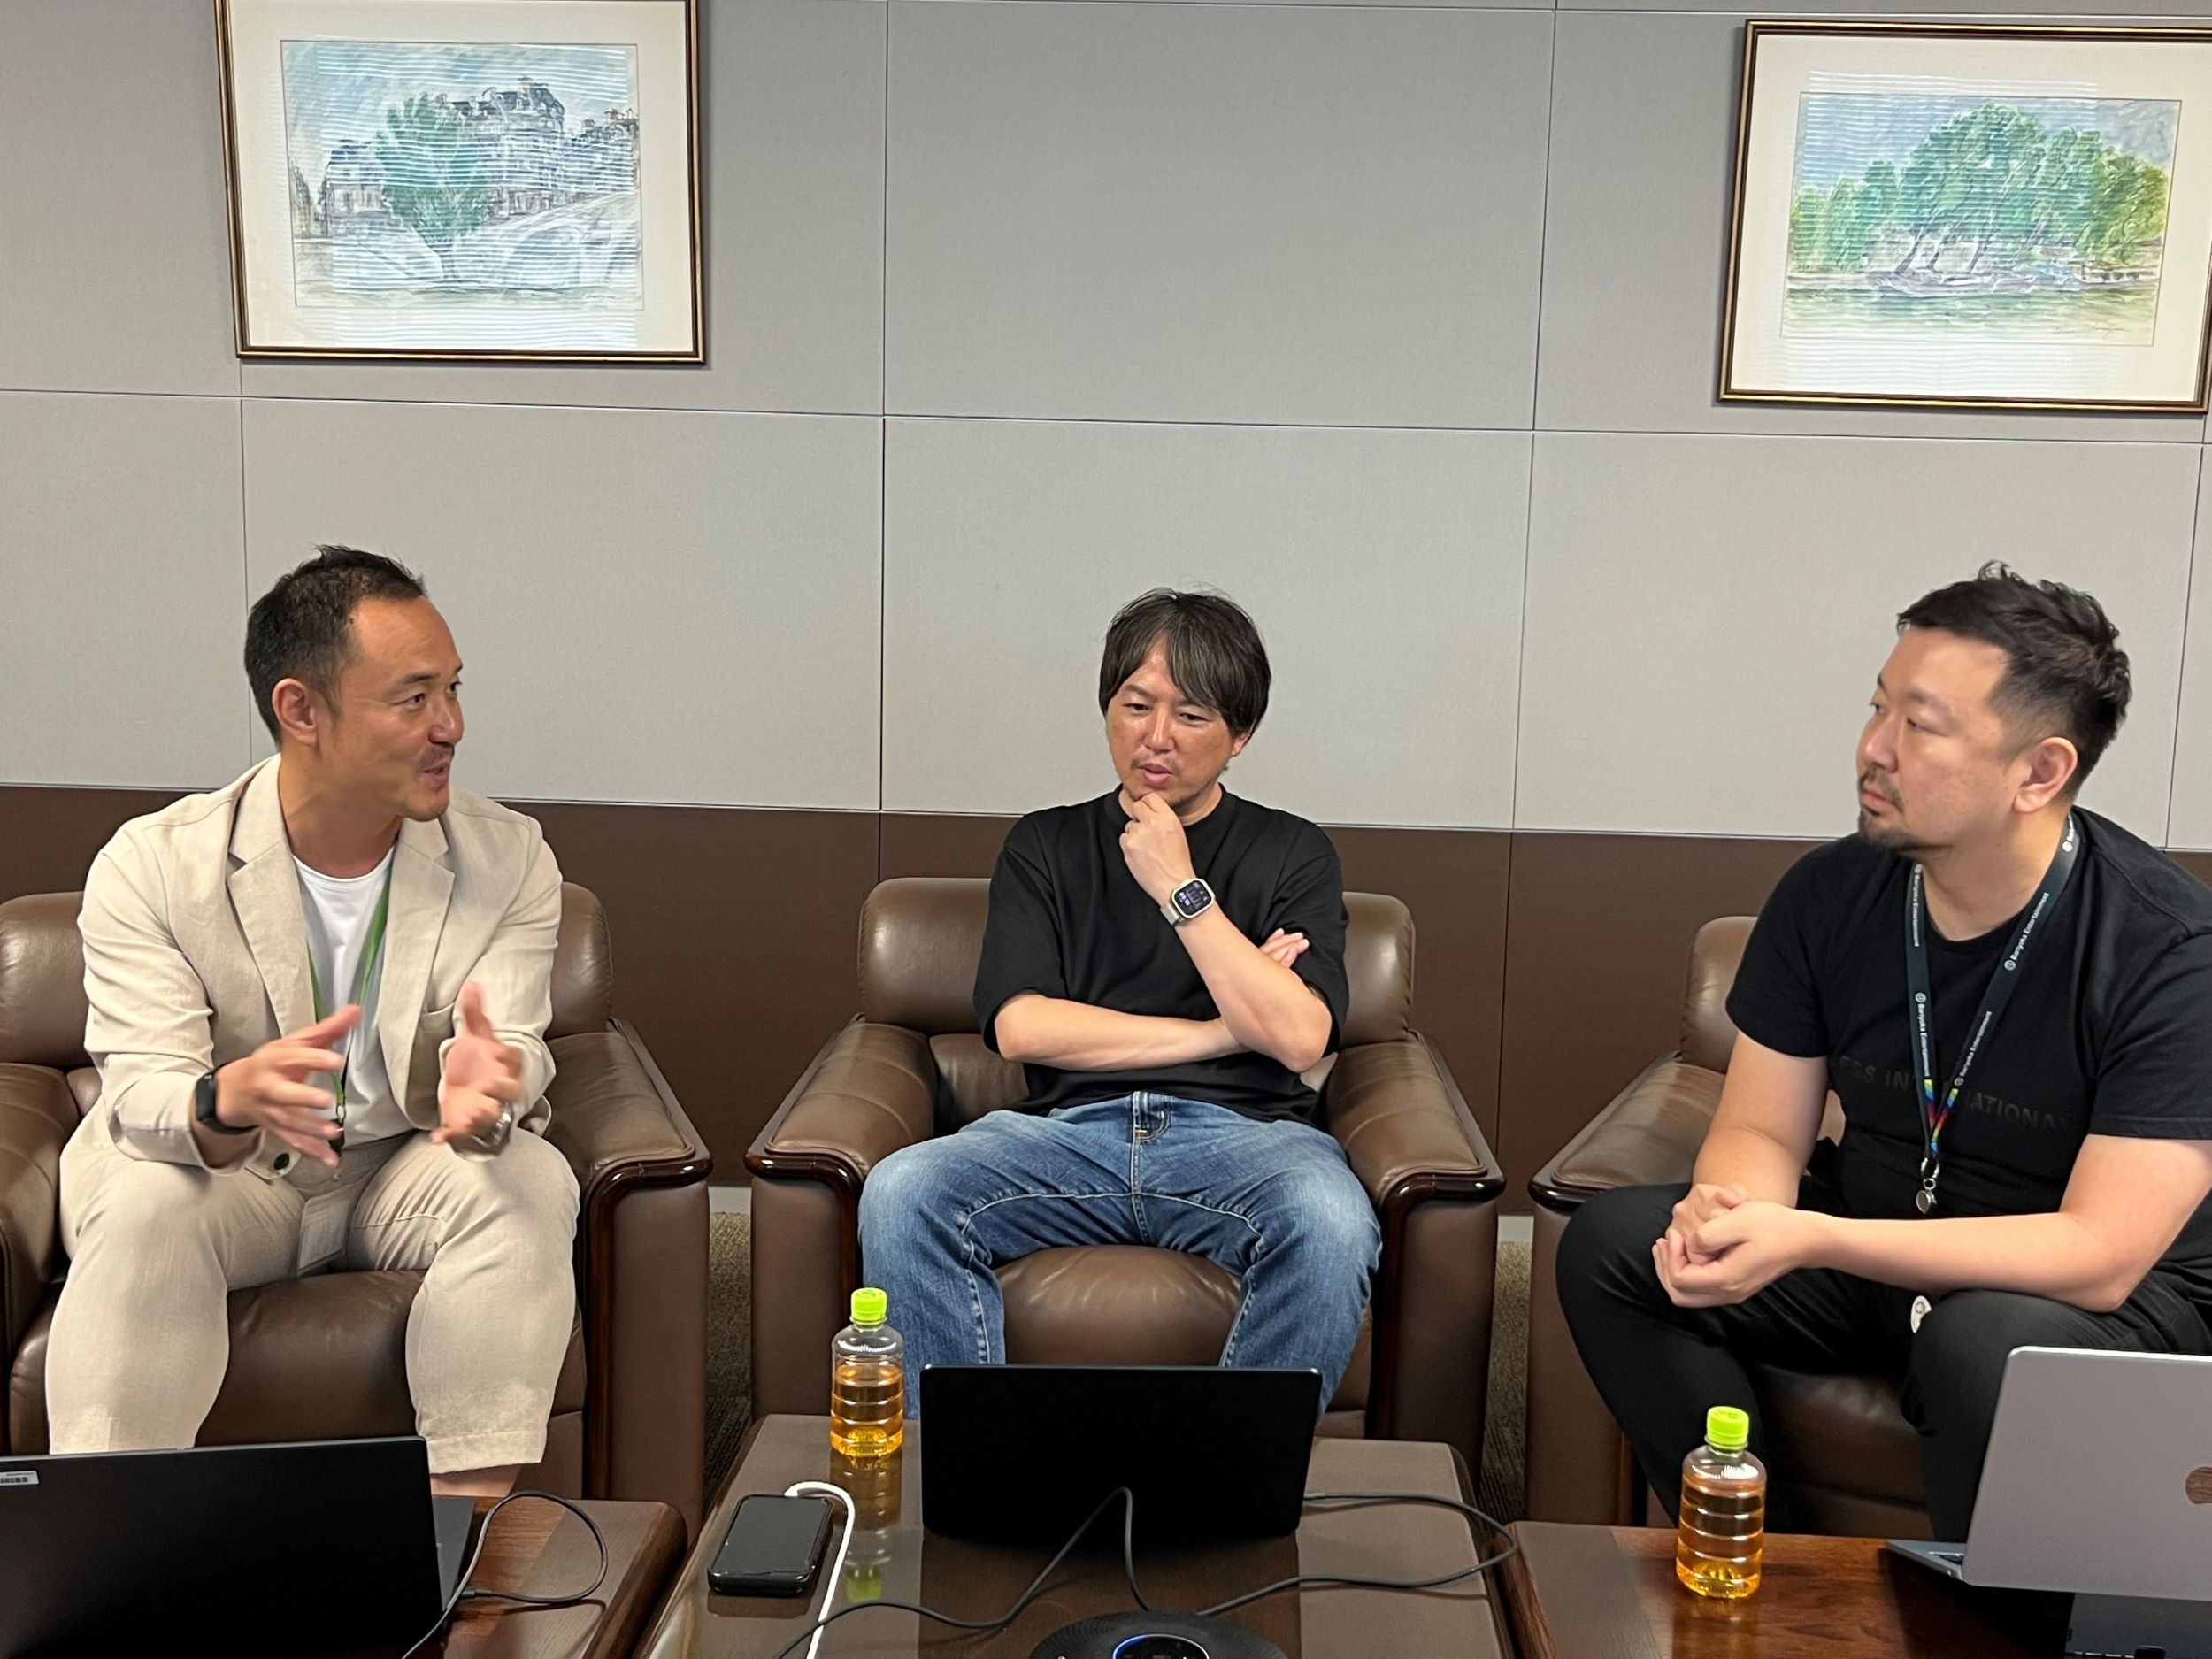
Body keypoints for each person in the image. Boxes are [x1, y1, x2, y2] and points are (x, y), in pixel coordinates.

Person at [1558, 564, 2212, 1540]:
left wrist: (1814, 1239)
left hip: (2085, 1303)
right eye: (1877, 707)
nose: (1873, 749)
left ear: (2040, 771)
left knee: (1985, 1338)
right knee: (1618, 1249)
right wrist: (1734, 1215)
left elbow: (2099, 1255)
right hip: (1884, 1247)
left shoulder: (2169, 950)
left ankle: (1985, 1614)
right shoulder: (1828, 895)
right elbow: (1760, 1129)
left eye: (1921, 725)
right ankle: (1771, 1565)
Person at [46, 546, 580, 1497]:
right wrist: (225, 1098)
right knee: (143, 1205)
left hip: (399, 1166)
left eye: (453, 690)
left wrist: (495, 1082)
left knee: (527, 1179)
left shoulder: (509, 858)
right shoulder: (154, 865)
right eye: (413, 698)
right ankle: (109, 1537)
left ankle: (456, 1538)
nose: (451, 726)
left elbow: (510, 1042)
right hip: (232, 1174)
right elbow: (143, 1094)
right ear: (301, 710)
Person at [859, 588, 1379, 1411]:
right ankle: (960, 1475)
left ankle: (1230, 1479)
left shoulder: (1294, 851)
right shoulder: (1045, 844)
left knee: (1331, 1218)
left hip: (1245, 1144)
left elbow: (1299, 1037)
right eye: (1136, 705)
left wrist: (1180, 890)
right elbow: (1021, 1026)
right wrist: (1222, 1029)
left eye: (1192, 715)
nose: (1156, 737)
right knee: (902, 1191)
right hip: (1067, 1139)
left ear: (1241, 734)